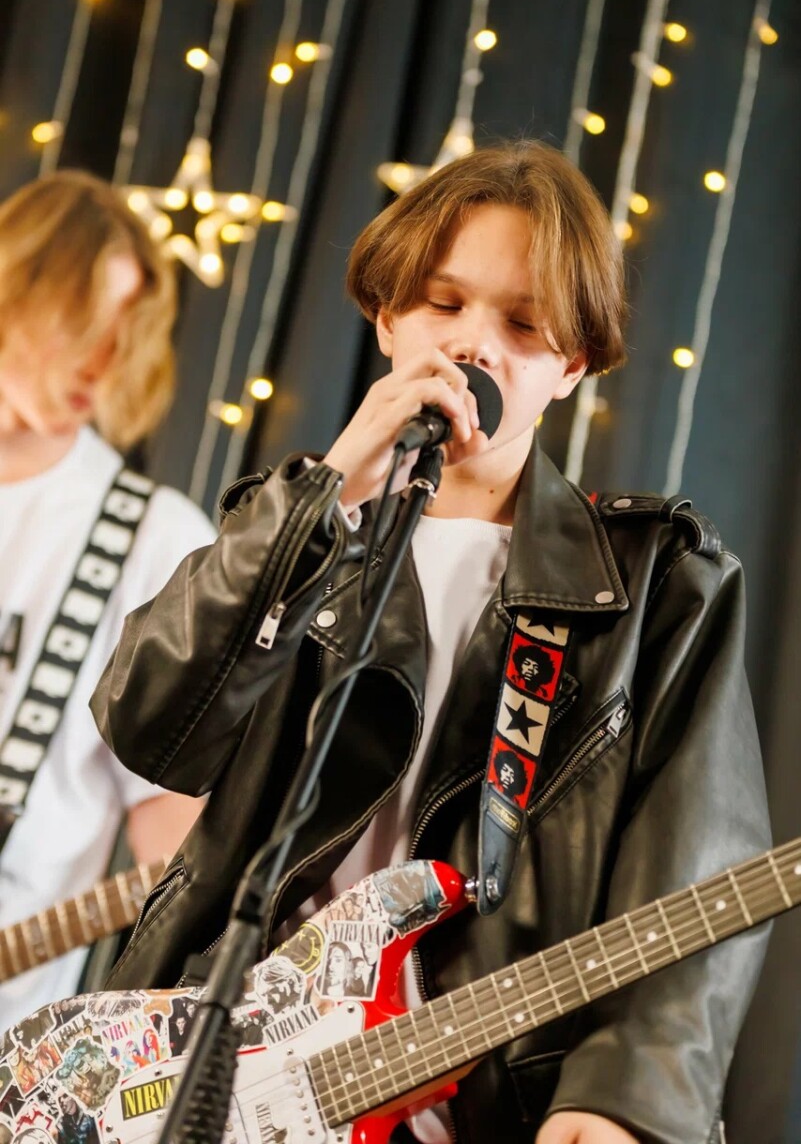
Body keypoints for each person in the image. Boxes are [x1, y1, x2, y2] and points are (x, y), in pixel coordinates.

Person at [92, 142, 771, 1144]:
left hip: (490, 1101)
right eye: (442, 303)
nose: (472, 344)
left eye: (523, 324)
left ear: (572, 363)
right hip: (235, 1091)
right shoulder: (290, 531)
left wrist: (626, 1096)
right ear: (386, 319)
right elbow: (149, 726)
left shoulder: (655, 582)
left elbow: (697, 868)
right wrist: (326, 496)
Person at [0, 170, 215, 1035]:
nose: (102, 364)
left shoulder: (151, 542)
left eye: (126, 336)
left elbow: (174, 845)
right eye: (83, 327)